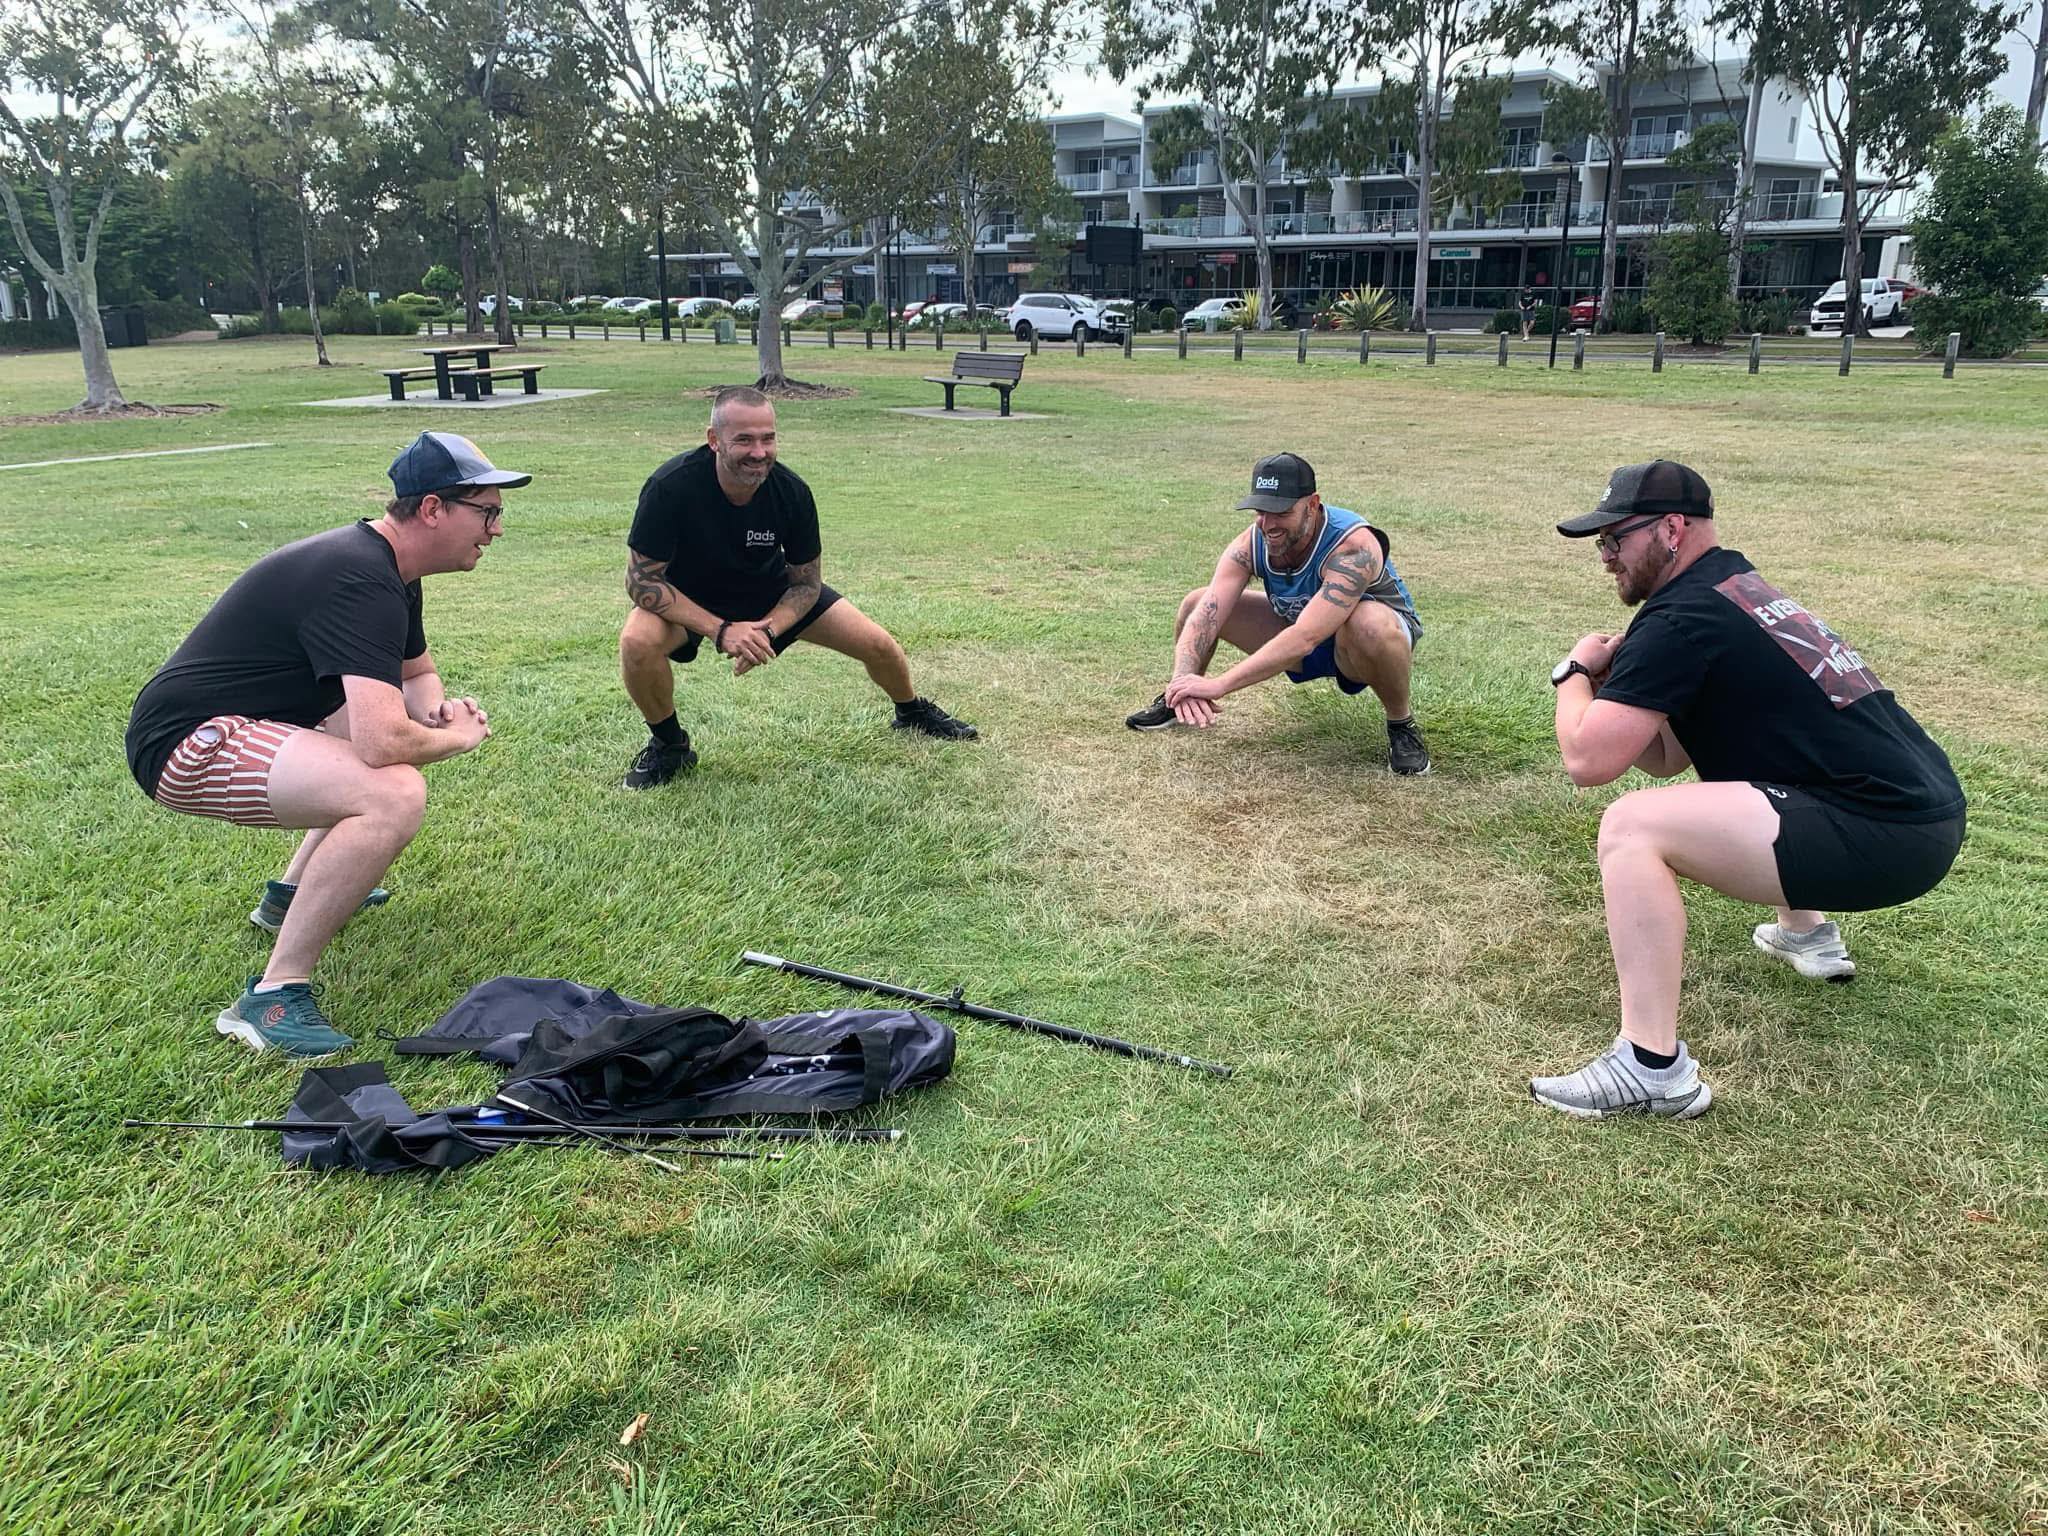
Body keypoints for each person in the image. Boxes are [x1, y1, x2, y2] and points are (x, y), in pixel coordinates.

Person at [1531, 460, 1966, 1120]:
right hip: (1920, 812)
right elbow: (1666, 757)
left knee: (1631, 827)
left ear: (1671, 529)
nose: (1605, 557)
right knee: (1755, 773)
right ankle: (1804, 932)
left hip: (1888, 832)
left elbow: (1588, 760)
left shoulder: (1679, 618)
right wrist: (1625, 689)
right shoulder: (1735, 588)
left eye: (1615, 539)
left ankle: (1650, 1068)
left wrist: (1573, 675)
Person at [125, 431, 529, 1057]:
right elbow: (381, 741)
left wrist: (436, 711)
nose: (496, 529)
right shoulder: (360, 577)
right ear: (432, 509)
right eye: (487, 512)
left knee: (372, 754)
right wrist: (455, 738)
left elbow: (416, 673)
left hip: (236, 723)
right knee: (392, 791)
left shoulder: (391, 567)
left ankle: (289, 897)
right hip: (186, 744)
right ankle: (272, 997)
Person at [618, 385, 977, 788]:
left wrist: (768, 630)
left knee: (879, 645)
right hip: (691, 596)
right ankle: (670, 746)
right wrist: (722, 630)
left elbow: (807, 584)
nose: (759, 452)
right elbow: (641, 580)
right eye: (744, 440)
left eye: (768, 438)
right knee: (637, 641)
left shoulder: (791, 492)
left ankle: (910, 712)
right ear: (714, 440)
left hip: (770, 591)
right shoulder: (670, 486)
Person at [1123, 452, 1430, 775]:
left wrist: (1220, 685)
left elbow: (1306, 636)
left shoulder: (1353, 547)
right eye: (1261, 511)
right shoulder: (1251, 542)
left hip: (1363, 643)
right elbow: (1206, 614)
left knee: (1368, 624)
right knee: (1195, 604)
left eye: (1282, 512)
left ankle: (1401, 725)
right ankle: (1175, 702)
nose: (1268, 525)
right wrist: (1182, 681)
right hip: (1300, 631)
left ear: (1312, 504)